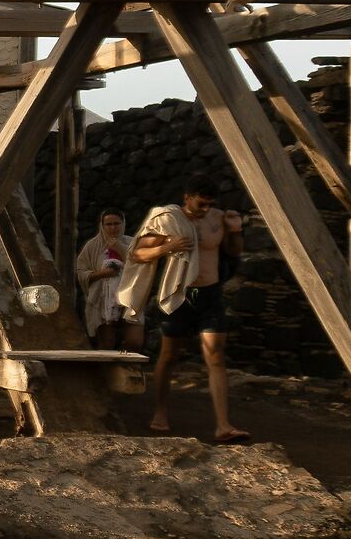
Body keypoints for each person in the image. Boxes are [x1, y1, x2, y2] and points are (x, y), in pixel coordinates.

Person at [118, 174, 249, 443]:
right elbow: (136, 254)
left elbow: (234, 252)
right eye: (200, 204)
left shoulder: (217, 218)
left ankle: (223, 425)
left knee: (215, 354)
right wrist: (167, 246)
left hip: (210, 294)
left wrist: (235, 230)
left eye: (209, 205)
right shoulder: (168, 219)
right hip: (181, 295)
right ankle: (161, 410)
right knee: (169, 355)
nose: (204, 210)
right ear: (186, 198)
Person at [75, 211, 142, 350]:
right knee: (106, 345)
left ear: (123, 224)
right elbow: (81, 272)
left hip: (130, 299)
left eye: (116, 223)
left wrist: (118, 247)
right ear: (102, 225)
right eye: (108, 224)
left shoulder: (132, 243)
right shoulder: (93, 246)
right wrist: (103, 273)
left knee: (134, 342)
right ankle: (107, 371)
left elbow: (141, 267)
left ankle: (128, 368)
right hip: (102, 299)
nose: (113, 228)